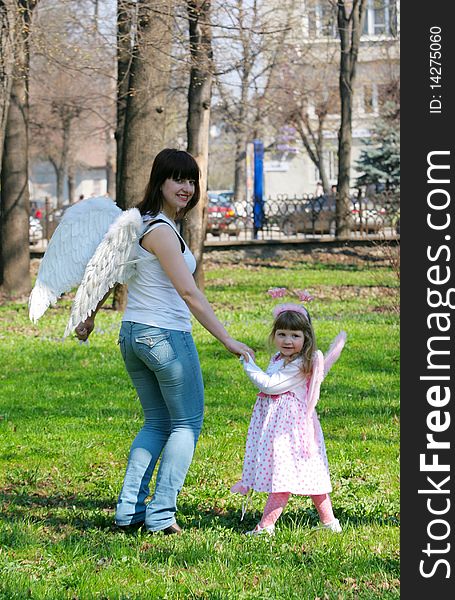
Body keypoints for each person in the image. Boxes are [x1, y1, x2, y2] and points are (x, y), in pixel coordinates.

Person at [75, 148, 254, 535]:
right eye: (178, 179)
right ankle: (160, 515)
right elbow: (190, 294)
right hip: (165, 338)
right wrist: (228, 340)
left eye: (192, 180)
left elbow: (113, 273)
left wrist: (90, 314)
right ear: (160, 180)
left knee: (156, 422)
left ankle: (129, 512)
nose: (187, 187)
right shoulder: (160, 231)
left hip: (133, 335)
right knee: (186, 424)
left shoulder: (139, 224)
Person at [232, 303, 346, 536]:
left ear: (306, 338)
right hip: (278, 427)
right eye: (282, 334)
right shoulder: (278, 358)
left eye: (295, 335)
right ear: (274, 336)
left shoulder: (300, 365)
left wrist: (247, 363)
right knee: (306, 473)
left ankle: (265, 527)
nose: (287, 340)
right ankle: (329, 523)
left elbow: (270, 385)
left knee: (283, 475)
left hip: (291, 431)